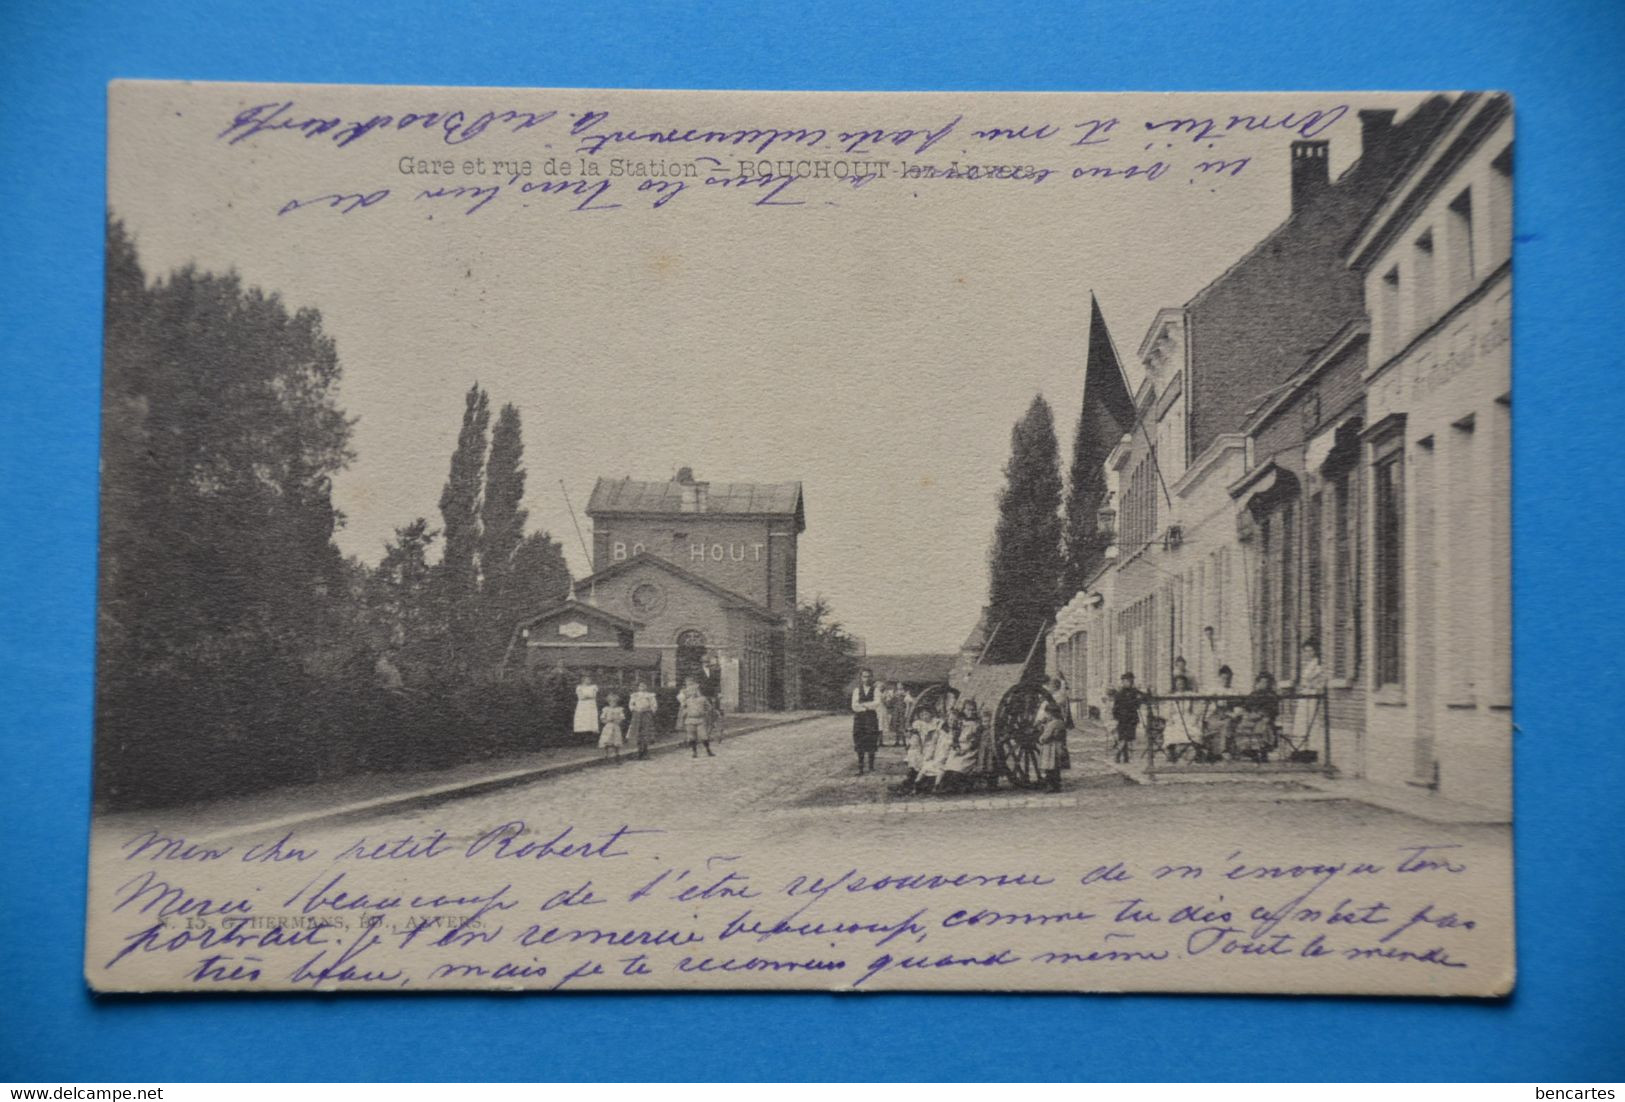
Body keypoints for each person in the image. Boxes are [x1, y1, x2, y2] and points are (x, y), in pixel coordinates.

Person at [1289, 639, 1327, 755]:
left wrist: (1309, 685)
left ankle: (1310, 749)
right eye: (1305, 651)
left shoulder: (1318, 666)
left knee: (1311, 721)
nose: (1307, 653)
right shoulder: (1308, 665)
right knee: (1302, 722)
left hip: (1312, 696)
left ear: (1315, 652)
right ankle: (1300, 748)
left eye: (1310, 651)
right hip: (1305, 696)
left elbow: (1320, 682)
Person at [1233, 671, 1280, 761]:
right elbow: (1246, 706)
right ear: (1258, 683)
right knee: (1243, 726)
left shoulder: (1272, 695)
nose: (1264, 684)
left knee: (1262, 727)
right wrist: (1246, 713)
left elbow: (1273, 710)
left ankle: (1263, 751)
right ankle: (1249, 751)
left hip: (1264, 718)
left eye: (1266, 682)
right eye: (1262, 682)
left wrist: (1262, 715)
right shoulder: (1254, 694)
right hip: (1252, 717)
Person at [850, 668, 882, 774]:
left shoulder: (876, 690)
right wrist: (867, 706)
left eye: (868, 676)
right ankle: (860, 767)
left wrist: (863, 705)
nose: (866, 679)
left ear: (871, 677)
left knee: (871, 739)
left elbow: (877, 703)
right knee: (859, 740)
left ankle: (871, 766)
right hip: (860, 719)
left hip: (871, 718)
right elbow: (854, 706)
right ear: (861, 678)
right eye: (864, 676)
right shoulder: (857, 690)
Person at [677, 679, 714, 758]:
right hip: (690, 720)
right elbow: (682, 709)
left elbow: (710, 707)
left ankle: (708, 750)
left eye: (695, 691)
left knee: (704, 736)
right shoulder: (687, 701)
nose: (693, 693)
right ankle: (694, 752)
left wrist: (705, 712)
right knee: (691, 737)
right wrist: (684, 712)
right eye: (691, 691)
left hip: (701, 720)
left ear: (697, 691)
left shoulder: (703, 699)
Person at [1111, 672, 1143, 764]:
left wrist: (1140, 700)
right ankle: (1118, 755)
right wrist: (1117, 716)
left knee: (1127, 738)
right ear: (1123, 682)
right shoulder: (1119, 693)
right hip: (1122, 719)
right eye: (1125, 681)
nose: (1128, 683)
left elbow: (1143, 698)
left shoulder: (1135, 691)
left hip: (1132, 718)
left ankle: (1125, 757)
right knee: (1123, 738)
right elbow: (1115, 707)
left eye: (1130, 681)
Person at [1037, 701, 1068, 792]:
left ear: (1051, 714)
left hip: (1051, 748)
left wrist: (1040, 738)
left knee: (1049, 768)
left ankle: (1051, 787)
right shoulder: (1060, 722)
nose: (1046, 716)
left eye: (1047, 714)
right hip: (1059, 747)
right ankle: (1056, 786)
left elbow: (1045, 737)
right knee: (1056, 769)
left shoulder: (1052, 724)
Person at [627, 681, 659, 760]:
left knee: (646, 732)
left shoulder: (650, 695)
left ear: (646, 687)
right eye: (640, 686)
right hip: (637, 715)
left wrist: (648, 710)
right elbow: (631, 705)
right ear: (638, 687)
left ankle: (645, 751)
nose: (642, 687)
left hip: (646, 714)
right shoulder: (634, 695)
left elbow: (654, 705)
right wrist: (635, 709)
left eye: (644, 685)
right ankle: (639, 752)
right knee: (638, 732)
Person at [700, 653, 725, 745]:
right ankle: (704, 734)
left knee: (715, 714)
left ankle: (712, 734)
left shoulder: (713, 672)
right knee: (704, 715)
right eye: (705, 662)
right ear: (702, 663)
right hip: (703, 696)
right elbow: (697, 685)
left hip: (712, 696)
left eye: (708, 662)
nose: (706, 663)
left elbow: (716, 683)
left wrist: (719, 693)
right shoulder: (698, 672)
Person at [598, 693, 627, 762]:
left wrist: (617, 720)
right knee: (607, 740)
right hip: (608, 726)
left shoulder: (619, 709)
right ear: (609, 702)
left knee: (616, 740)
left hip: (615, 726)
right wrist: (607, 720)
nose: (613, 703)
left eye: (615, 702)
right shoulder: (606, 709)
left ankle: (617, 754)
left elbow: (622, 718)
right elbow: (602, 719)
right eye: (611, 701)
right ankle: (606, 754)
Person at [573, 673, 600, 738]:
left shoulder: (594, 687)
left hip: (591, 705)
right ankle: (582, 733)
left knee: (591, 717)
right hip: (582, 705)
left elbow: (593, 696)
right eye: (587, 679)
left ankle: (592, 731)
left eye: (590, 679)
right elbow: (580, 697)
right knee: (583, 717)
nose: (589, 680)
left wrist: (586, 696)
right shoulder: (579, 687)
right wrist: (588, 696)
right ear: (583, 680)